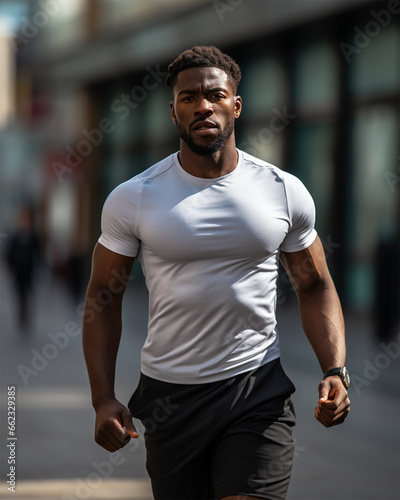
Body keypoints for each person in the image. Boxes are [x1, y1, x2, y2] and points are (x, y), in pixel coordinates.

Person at [82, 46, 350, 500]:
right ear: (173, 112)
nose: (203, 105)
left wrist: (335, 369)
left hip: (257, 388)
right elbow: (103, 297)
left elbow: (314, 283)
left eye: (214, 95)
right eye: (188, 98)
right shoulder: (135, 197)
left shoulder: (283, 190)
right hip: (170, 397)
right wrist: (102, 398)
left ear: (235, 105)